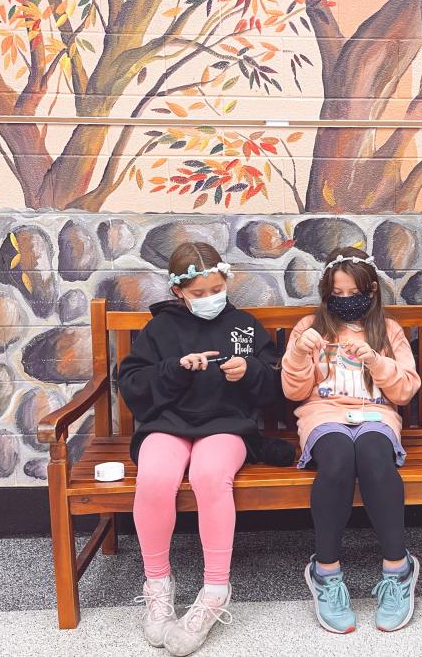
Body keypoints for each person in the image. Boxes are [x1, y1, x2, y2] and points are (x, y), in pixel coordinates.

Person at [118, 241, 288, 655]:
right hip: (169, 424)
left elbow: (275, 386)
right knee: (156, 476)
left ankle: (214, 591)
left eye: (216, 288)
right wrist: (174, 370)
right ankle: (157, 584)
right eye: (198, 293)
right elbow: (132, 384)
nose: (210, 298)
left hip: (226, 426)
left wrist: (249, 372)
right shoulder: (160, 329)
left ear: (226, 281)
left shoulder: (244, 325)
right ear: (178, 291)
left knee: (210, 475)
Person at [281, 247, 421, 634]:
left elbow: (406, 390)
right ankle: (325, 571)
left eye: (352, 293)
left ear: (371, 290)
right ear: (326, 293)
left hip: (376, 414)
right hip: (324, 415)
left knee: (375, 457)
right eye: (336, 294)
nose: (344, 301)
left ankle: (398, 568)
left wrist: (376, 360)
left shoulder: (387, 330)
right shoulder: (310, 326)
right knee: (339, 458)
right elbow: (294, 392)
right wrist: (296, 353)